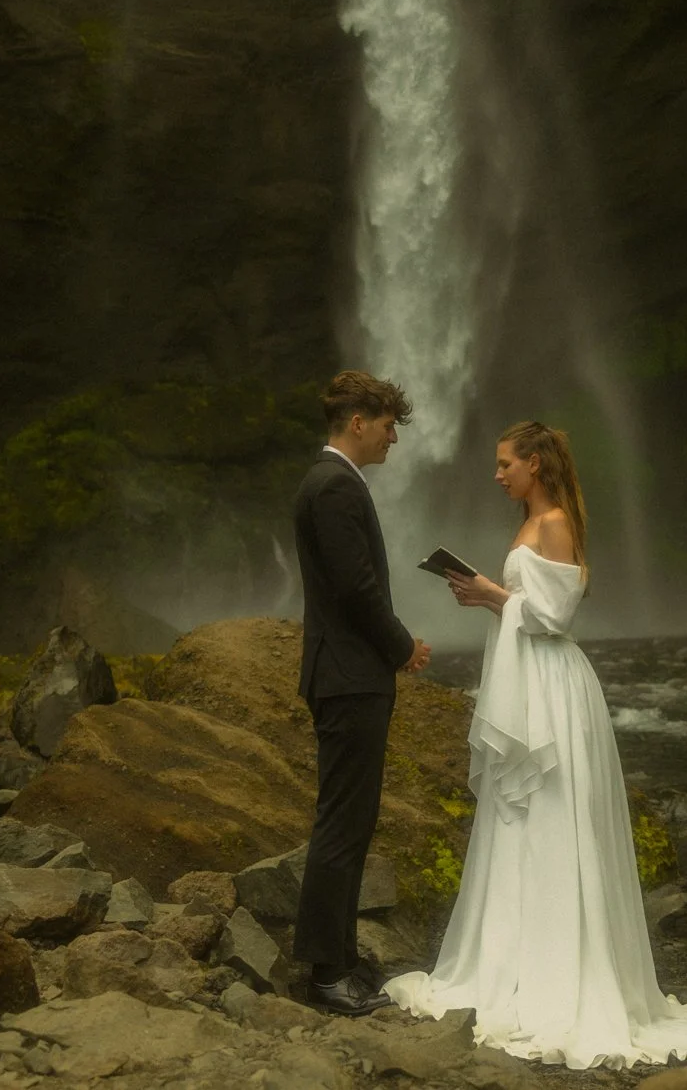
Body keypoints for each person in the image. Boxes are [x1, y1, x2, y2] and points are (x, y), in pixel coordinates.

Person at [384, 421, 687, 1067]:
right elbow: (530, 605)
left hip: (554, 689)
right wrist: (489, 599)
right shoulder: (535, 521)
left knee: (556, 821)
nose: (497, 474)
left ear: (536, 463)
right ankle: (518, 965)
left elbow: (557, 617)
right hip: (532, 681)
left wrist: (491, 593)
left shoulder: (556, 521)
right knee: (521, 824)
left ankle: (558, 975)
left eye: (506, 463)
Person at [291, 370, 433, 1016]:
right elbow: (355, 587)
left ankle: (342, 958)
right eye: (386, 424)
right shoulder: (334, 486)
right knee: (343, 825)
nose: (393, 436)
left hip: (349, 674)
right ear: (357, 421)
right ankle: (325, 973)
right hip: (349, 676)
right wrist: (403, 645)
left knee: (353, 820)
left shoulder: (332, 483)